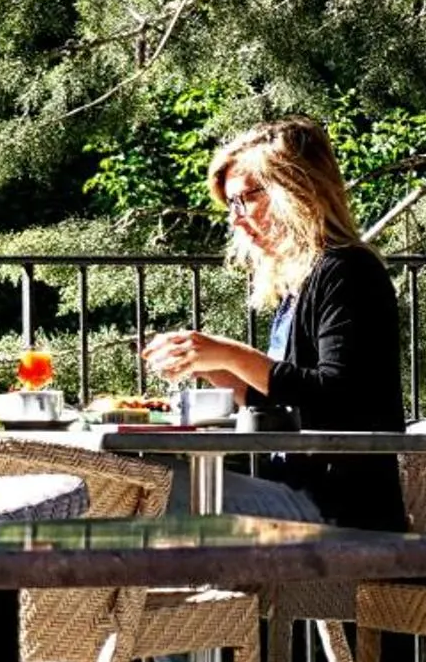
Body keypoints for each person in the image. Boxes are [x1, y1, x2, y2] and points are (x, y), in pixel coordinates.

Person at [141, 116, 408, 533]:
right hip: (295, 493)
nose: (236, 219)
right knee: (144, 475)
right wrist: (217, 370)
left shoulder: (348, 271)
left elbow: (338, 400)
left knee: (151, 486)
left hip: (338, 510)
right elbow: (292, 404)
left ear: (298, 189)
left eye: (246, 198)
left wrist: (231, 354)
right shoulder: (299, 283)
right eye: (231, 204)